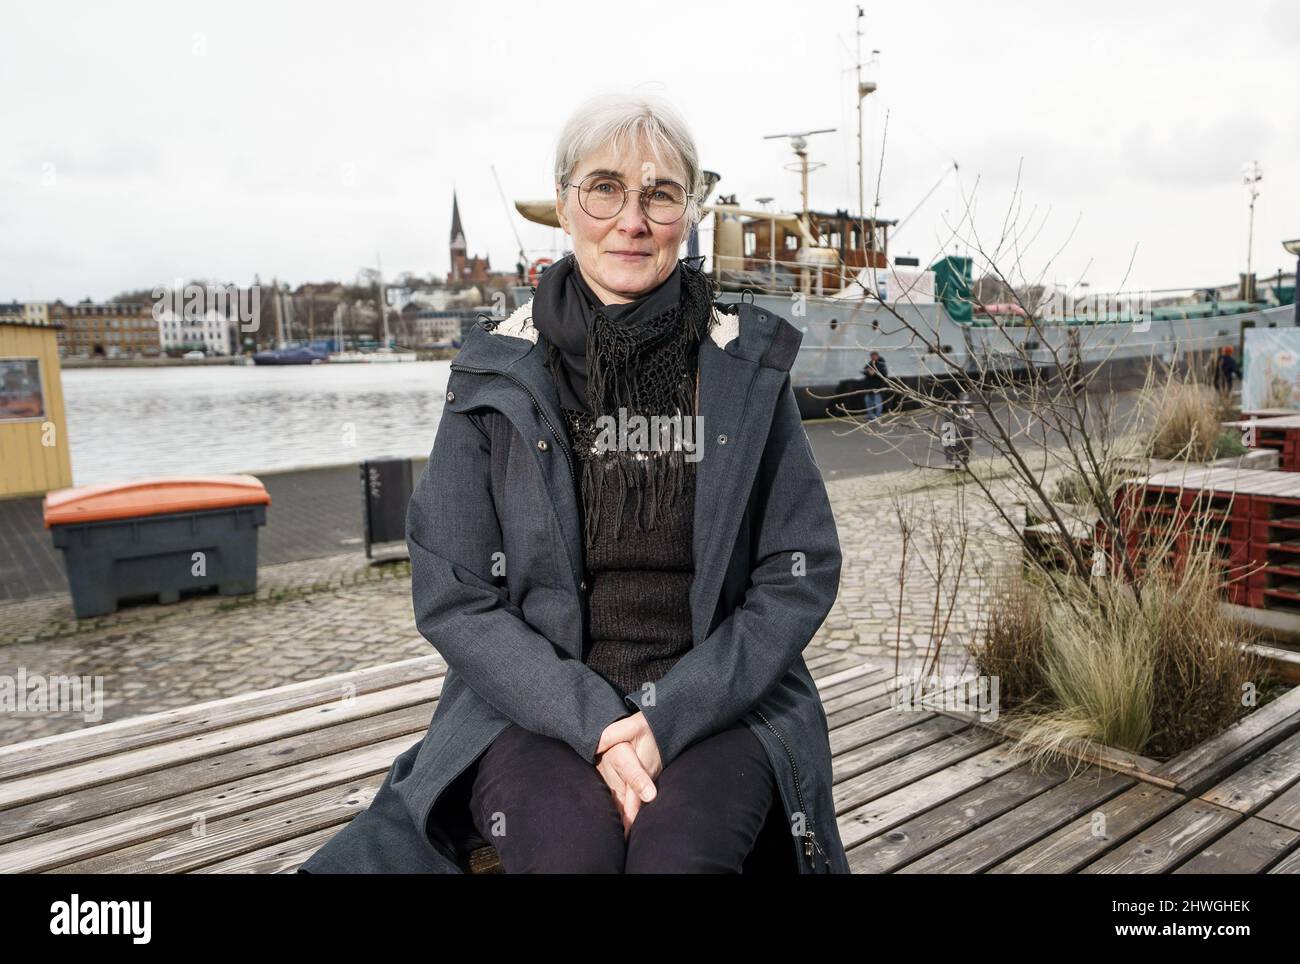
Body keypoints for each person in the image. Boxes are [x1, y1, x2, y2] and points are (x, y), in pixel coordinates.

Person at [297, 92, 849, 874]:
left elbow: (798, 573)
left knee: (677, 860)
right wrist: (595, 721)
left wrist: (668, 718)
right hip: (533, 708)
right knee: (571, 859)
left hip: (717, 702)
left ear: (688, 213)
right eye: (604, 189)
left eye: (659, 194)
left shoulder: (743, 369)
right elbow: (454, 590)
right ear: (563, 206)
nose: (631, 219)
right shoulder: (495, 373)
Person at [862, 350, 888, 420]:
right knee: (868, 402)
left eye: (873, 356)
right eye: (871, 356)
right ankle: (870, 416)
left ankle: (878, 416)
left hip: (877, 387)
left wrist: (874, 373)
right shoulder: (870, 363)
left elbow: (884, 374)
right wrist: (868, 372)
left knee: (877, 402)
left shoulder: (881, 364)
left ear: (877, 356)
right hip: (869, 387)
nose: (872, 358)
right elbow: (864, 370)